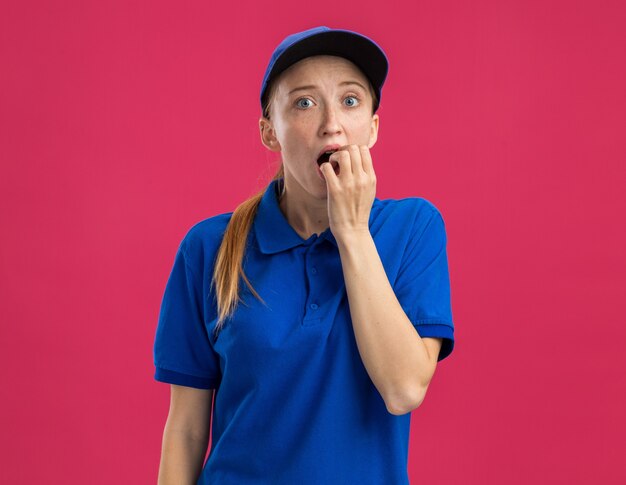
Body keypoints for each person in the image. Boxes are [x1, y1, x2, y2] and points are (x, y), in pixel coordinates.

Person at [153, 26, 455, 485]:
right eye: (304, 103)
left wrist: (351, 230)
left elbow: (404, 388)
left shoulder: (413, 228)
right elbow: (187, 429)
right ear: (269, 132)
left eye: (350, 101)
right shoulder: (208, 247)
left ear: (372, 127)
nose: (331, 123)